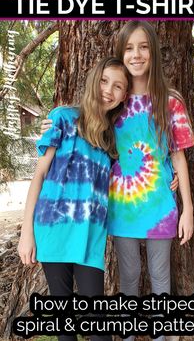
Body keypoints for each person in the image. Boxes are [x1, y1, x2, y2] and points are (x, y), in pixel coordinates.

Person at [40, 21, 194, 341]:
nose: (136, 54)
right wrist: (55, 118)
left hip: (160, 207)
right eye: (128, 48)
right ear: (119, 54)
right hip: (121, 207)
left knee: (160, 275)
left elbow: (178, 155)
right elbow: (85, 125)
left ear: (153, 51)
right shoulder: (115, 105)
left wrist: (188, 208)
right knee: (129, 276)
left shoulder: (170, 102)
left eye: (143, 47)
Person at [18, 56, 131, 341]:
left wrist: (170, 176)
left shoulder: (112, 140)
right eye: (104, 81)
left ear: (123, 96)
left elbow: (132, 175)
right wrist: (26, 233)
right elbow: (40, 175)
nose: (108, 90)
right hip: (52, 231)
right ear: (94, 81)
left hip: (90, 238)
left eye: (118, 86)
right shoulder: (63, 119)